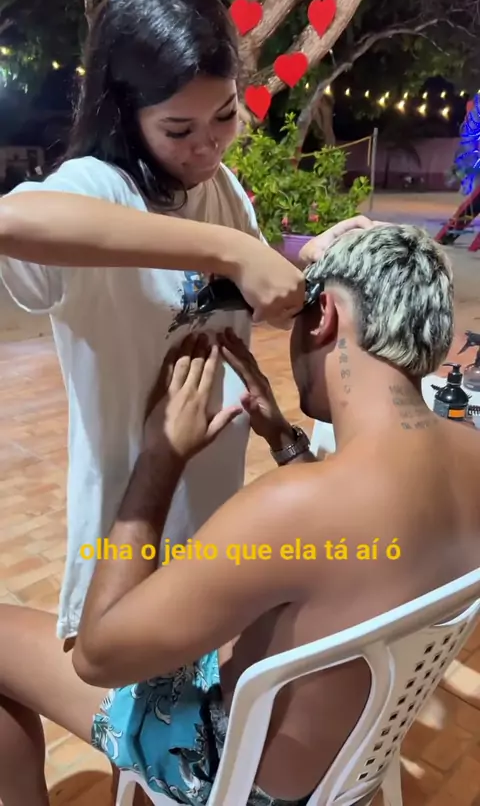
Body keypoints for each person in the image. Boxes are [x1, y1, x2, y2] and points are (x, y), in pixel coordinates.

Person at [1, 223, 479, 806]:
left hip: (233, 772)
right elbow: (358, 544)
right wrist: (284, 440)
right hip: (347, 760)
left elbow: (98, 656)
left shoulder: (293, 508)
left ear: (324, 315)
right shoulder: (470, 454)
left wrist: (159, 460)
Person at [0, 0, 309, 644]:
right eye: (178, 129)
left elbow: (255, 285)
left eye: (225, 115)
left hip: (210, 514)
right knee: (121, 685)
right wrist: (228, 249)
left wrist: (310, 259)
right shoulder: (96, 187)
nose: (209, 145)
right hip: (123, 529)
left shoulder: (220, 188)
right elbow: (11, 222)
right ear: (125, 113)